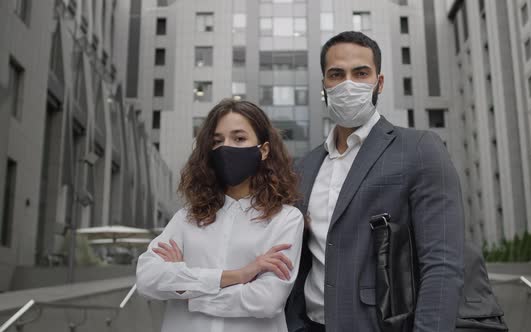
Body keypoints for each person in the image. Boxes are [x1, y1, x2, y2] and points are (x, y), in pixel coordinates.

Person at [285, 31, 465, 332]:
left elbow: (442, 264)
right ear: (324, 86)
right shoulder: (304, 167)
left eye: (360, 73)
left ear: (378, 83)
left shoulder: (420, 149)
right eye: (336, 74)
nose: (348, 83)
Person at [136, 99, 305, 332]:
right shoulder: (187, 218)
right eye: (217, 141)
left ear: (263, 150)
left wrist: (188, 290)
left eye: (239, 138)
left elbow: (266, 300)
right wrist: (239, 275)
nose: (226, 148)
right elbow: (147, 278)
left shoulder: (285, 219)